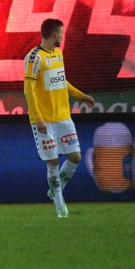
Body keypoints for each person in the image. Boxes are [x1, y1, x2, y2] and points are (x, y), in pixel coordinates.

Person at [23, 19, 95, 218]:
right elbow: (28, 89)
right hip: (44, 120)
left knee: (75, 157)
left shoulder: (58, 54)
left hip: (63, 118)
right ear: (55, 35)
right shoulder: (34, 58)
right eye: (61, 34)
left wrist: (81, 95)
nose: (63, 37)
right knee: (53, 163)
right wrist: (37, 118)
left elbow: (62, 81)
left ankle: (56, 190)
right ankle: (59, 204)